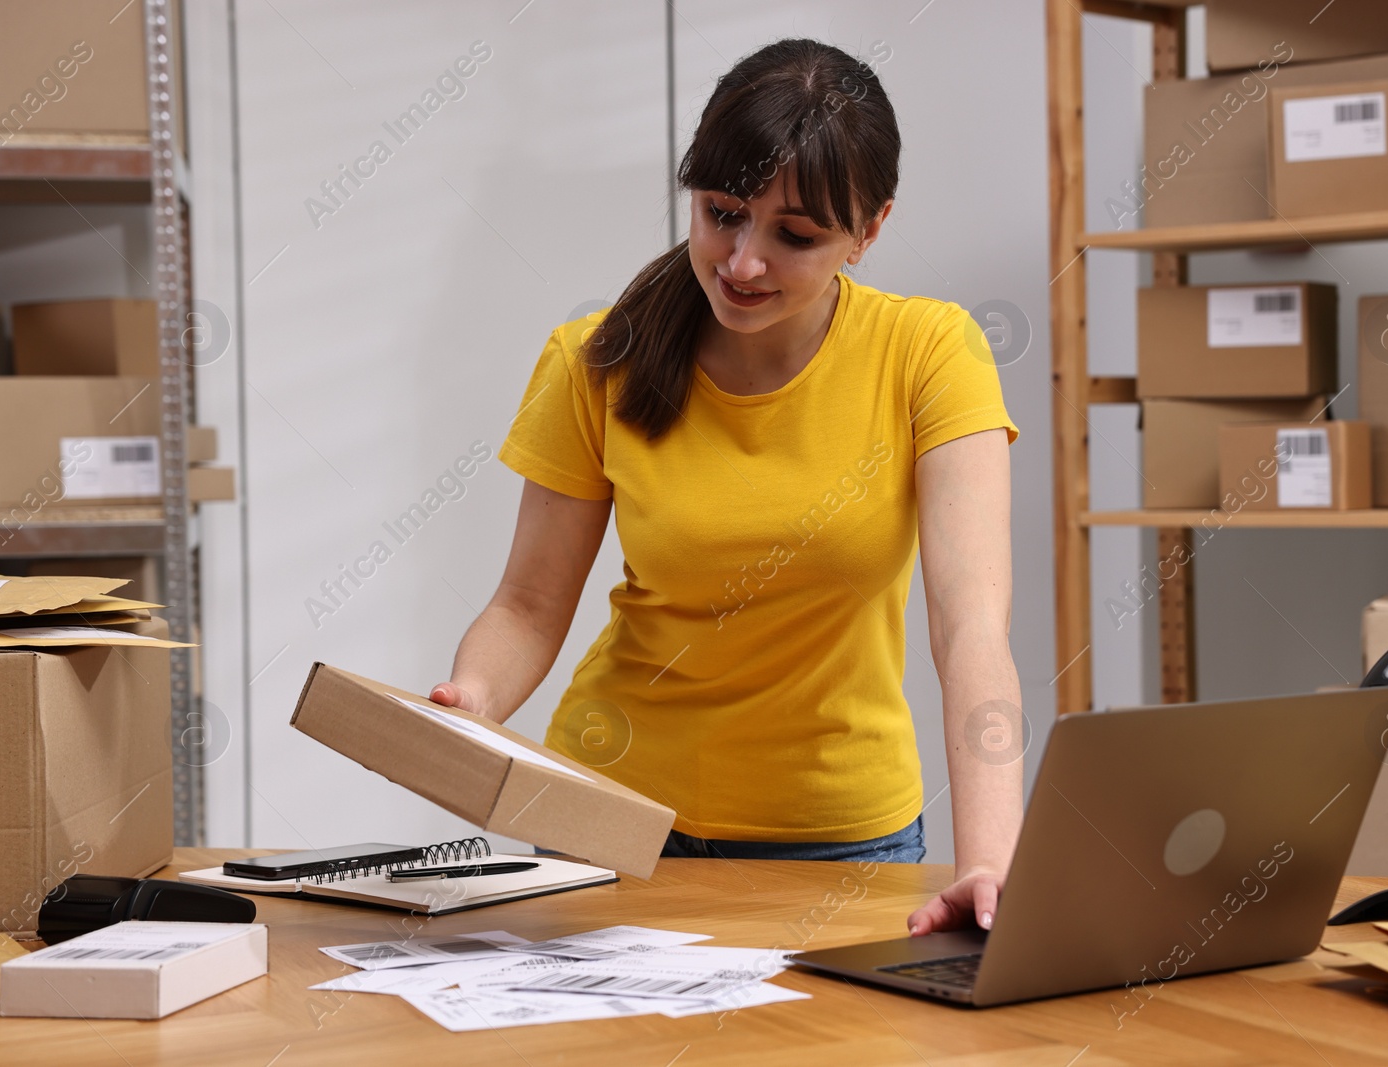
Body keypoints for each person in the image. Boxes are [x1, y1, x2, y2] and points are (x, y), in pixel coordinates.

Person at [430, 38, 1024, 937]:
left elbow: (969, 625)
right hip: (606, 820)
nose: (742, 262)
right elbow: (527, 603)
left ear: (869, 231)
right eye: (721, 214)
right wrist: (471, 700)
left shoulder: (929, 354)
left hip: (838, 841)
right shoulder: (598, 359)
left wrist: (988, 857)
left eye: (795, 235)